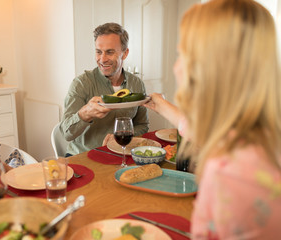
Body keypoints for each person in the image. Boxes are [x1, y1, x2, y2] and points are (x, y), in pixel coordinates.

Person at [145, 0, 281, 238]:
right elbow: (202, 131)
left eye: (183, 54)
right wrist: (162, 106)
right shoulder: (259, 134)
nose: (176, 67)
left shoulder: (231, 174)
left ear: (210, 67)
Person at [60, 22, 149, 156]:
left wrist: (123, 136)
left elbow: (142, 125)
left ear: (125, 53)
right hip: (84, 157)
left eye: (109, 52)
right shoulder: (81, 83)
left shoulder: (137, 84)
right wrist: (85, 114)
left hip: (122, 155)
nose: (102, 59)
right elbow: (66, 134)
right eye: (98, 52)